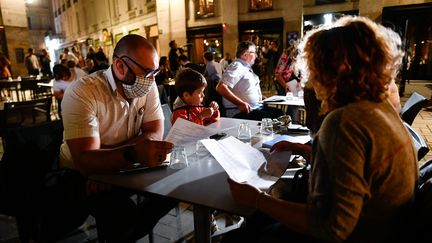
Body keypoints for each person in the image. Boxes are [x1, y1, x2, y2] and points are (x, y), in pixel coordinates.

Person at [225, 16, 418, 243]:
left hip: (359, 235)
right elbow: (356, 169)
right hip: (385, 229)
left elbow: (331, 227)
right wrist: (304, 149)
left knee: (242, 234)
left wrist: (256, 199)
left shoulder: (344, 123)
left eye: (312, 68)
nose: (308, 79)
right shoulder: (380, 108)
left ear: (334, 71)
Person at [59, 34, 176, 242]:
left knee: (174, 190)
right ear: (120, 67)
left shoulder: (146, 86)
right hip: (77, 175)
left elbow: (154, 132)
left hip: (126, 165)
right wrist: (131, 153)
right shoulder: (83, 92)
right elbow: (85, 161)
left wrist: (115, 162)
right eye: (147, 72)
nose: (151, 80)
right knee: (122, 215)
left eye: (155, 72)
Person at [216, 41, 284, 120]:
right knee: (277, 118)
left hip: (255, 108)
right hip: (240, 112)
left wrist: (260, 97)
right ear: (245, 55)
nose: (256, 55)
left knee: (280, 114)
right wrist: (240, 104)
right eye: (254, 52)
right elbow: (220, 88)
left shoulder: (245, 67)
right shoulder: (237, 66)